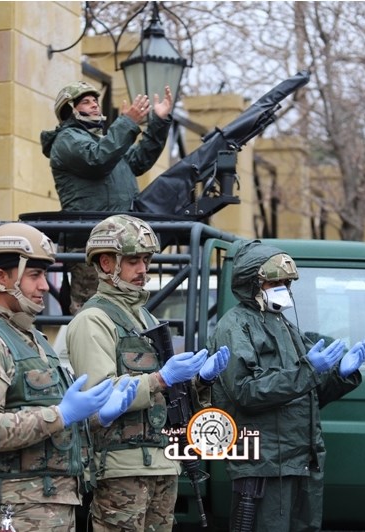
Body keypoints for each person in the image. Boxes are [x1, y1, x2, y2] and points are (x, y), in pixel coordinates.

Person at [0, 222, 139, 532]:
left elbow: (56, 423)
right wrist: (61, 414)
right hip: (15, 509)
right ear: (2, 277)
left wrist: (96, 417)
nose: (44, 286)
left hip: (49, 506)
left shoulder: (35, 340)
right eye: (35, 275)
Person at [66, 214, 230, 532]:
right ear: (106, 263)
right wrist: (161, 378)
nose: (143, 269)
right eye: (133, 261)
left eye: (146, 260)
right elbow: (98, 396)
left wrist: (200, 379)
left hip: (161, 462)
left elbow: (166, 392)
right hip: (121, 467)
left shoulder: (143, 316)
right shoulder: (93, 320)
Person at [209, 240, 365, 532]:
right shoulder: (235, 326)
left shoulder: (284, 325)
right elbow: (245, 391)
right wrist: (309, 370)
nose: (282, 288)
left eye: (285, 282)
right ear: (252, 284)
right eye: (274, 283)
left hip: (300, 460)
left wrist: (340, 375)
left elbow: (308, 394)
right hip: (265, 465)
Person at [40, 81, 175, 315]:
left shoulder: (105, 141)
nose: (94, 105)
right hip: (90, 246)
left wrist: (159, 122)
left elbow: (138, 160)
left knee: (123, 311)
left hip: (118, 242)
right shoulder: (66, 139)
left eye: (95, 100)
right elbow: (97, 159)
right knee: (92, 312)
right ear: (69, 110)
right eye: (86, 102)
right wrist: (127, 123)